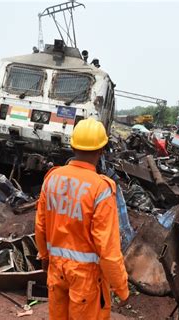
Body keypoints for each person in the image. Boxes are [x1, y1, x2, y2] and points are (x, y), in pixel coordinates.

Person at [35, 118, 129, 319]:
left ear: (72, 147)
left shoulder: (52, 179)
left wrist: (44, 256)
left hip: (56, 269)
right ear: (102, 149)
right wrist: (121, 287)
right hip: (86, 278)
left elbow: (40, 226)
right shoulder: (101, 188)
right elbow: (108, 247)